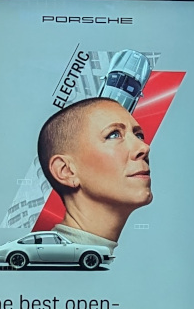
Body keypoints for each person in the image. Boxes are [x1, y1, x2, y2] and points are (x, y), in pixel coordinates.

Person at [38, 97, 152, 248]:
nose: (144, 148)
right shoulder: (54, 265)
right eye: (114, 134)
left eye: (138, 135)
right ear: (66, 170)